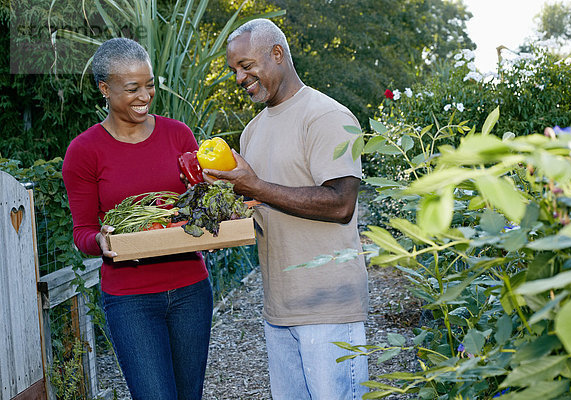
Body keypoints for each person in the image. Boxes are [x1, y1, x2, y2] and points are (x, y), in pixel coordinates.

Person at [203, 19, 369, 399]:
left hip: (328, 307)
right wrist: (221, 213)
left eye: (246, 65)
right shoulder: (252, 130)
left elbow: (341, 204)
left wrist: (255, 185)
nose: (239, 77)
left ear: (276, 54)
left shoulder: (327, 116)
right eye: (233, 70)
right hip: (279, 307)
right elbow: (261, 207)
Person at [62, 37, 213, 400]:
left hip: (191, 289)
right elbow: (82, 231)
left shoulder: (178, 135)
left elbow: (199, 203)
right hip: (130, 299)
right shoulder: (84, 152)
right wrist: (100, 241)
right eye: (132, 88)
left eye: (149, 85)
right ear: (105, 89)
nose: (144, 95)